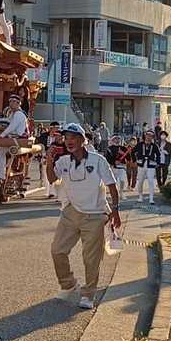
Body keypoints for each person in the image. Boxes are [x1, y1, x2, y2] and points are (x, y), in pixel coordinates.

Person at [48, 123, 122, 310]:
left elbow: (112, 186)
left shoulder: (98, 160)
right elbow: (51, 179)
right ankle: (68, 284)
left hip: (95, 215)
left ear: (83, 140)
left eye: (73, 137)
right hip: (71, 212)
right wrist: (49, 161)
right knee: (57, 250)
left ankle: (88, 294)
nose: (69, 141)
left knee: (91, 259)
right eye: (66, 138)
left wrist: (115, 210)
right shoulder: (63, 161)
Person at [0, 94, 29, 181]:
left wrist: (1, 136)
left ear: (18, 103)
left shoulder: (19, 114)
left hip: (18, 139)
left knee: (0, 151)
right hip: (15, 138)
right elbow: (8, 120)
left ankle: (2, 172)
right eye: (10, 102)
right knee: (0, 150)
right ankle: (2, 170)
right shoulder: (14, 113)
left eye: (14, 102)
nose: (11, 104)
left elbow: (11, 127)